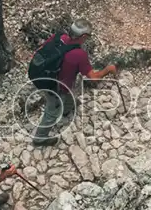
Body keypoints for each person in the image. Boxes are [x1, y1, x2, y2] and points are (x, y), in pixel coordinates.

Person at [32, 18, 118, 146]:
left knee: (68, 97)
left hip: (43, 76)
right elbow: (93, 77)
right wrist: (107, 70)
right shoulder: (79, 55)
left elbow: (41, 49)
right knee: (51, 112)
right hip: (55, 87)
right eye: (88, 36)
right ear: (83, 36)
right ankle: (40, 138)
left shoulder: (59, 36)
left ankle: (66, 109)